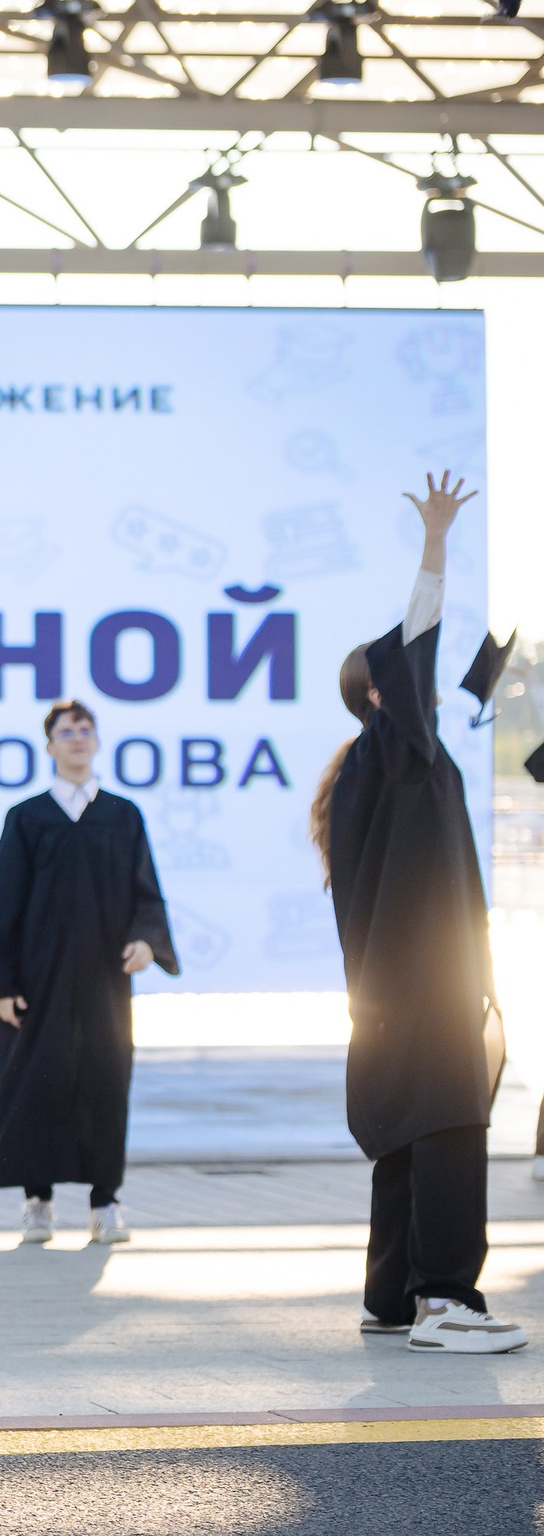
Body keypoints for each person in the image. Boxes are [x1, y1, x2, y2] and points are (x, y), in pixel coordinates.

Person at [316, 472, 523, 1353]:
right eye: (403, 672)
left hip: (394, 989)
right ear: (381, 694)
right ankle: (443, 1298)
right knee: (448, 1124)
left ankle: (391, 1297)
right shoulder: (398, 754)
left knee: (406, 1127)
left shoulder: (377, 770)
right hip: (424, 986)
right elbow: (421, 634)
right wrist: (435, 540)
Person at [0, 699, 177, 1245]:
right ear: (49, 746)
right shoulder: (28, 817)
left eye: (85, 729)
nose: (77, 738)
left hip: (104, 981)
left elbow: (146, 892)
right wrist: (0, 986)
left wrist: (148, 942)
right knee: (36, 1082)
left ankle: (105, 1202)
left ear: (97, 741)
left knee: (105, 1080)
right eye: (65, 731)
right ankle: (38, 1200)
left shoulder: (122, 815)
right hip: (37, 982)